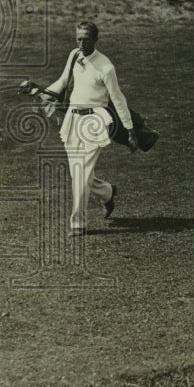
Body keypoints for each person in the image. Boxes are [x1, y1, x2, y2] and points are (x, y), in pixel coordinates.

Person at [44, 21, 136, 235]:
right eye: (78, 38)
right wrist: (41, 93)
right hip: (72, 120)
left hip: (95, 122)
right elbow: (62, 81)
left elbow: (118, 98)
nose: (82, 43)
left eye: (86, 39)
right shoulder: (74, 55)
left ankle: (78, 223)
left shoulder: (106, 66)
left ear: (96, 39)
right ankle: (107, 192)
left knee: (80, 172)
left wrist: (130, 129)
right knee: (80, 173)